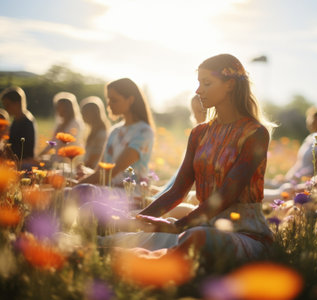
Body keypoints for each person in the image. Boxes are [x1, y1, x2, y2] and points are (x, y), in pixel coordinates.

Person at [95, 54, 275, 266]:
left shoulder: (255, 133)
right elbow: (177, 190)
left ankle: (147, 262)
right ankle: (126, 254)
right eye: (199, 83)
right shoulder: (199, 133)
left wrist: (177, 226)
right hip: (196, 226)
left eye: (207, 83)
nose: (198, 90)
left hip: (243, 234)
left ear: (230, 85)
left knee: (196, 238)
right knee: (103, 226)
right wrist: (139, 220)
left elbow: (227, 195)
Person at [79, 78, 155, 186]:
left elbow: (114, 171)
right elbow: (101, 170)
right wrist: (85, 173)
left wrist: (78, 185)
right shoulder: (115, 131)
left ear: (130, 100)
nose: (109, 105)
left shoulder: (144, 132)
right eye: (108, 100)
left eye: (114, 100)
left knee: (74, 191)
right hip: (107, 188)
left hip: (129, 194)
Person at [265, 107, 317, 189]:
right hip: (295, 179)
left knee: (267, 186)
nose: (309, 121)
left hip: (304, 182)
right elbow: (300, 163)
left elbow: (315, 169)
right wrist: (287, 178)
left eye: (313, 119)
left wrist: (296, 181)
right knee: (267, 184)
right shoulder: (310, 138)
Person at [38, 92, 85, 163]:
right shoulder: (60, 124)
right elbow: (53, 143)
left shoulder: (75, 124)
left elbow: (73, 144)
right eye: (57, 107)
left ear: (67, 109)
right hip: (56, 158)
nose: (57, 110)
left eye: (59, 107)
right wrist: (40, 155)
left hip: (68, 160)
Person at [0, 87, 37, 167]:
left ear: (17, 103)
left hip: (23, 164)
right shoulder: (16, 120)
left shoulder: (27, 122)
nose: (5, 108)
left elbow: (26, 151)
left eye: (7, 105)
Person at [79, 96, 110, 169]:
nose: (82, 116)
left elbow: (95, 156)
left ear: (92, 114)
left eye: (84, 113)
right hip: (88, 168)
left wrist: (82, 167)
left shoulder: (101, 134)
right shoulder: (93, 131)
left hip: (93, 170)